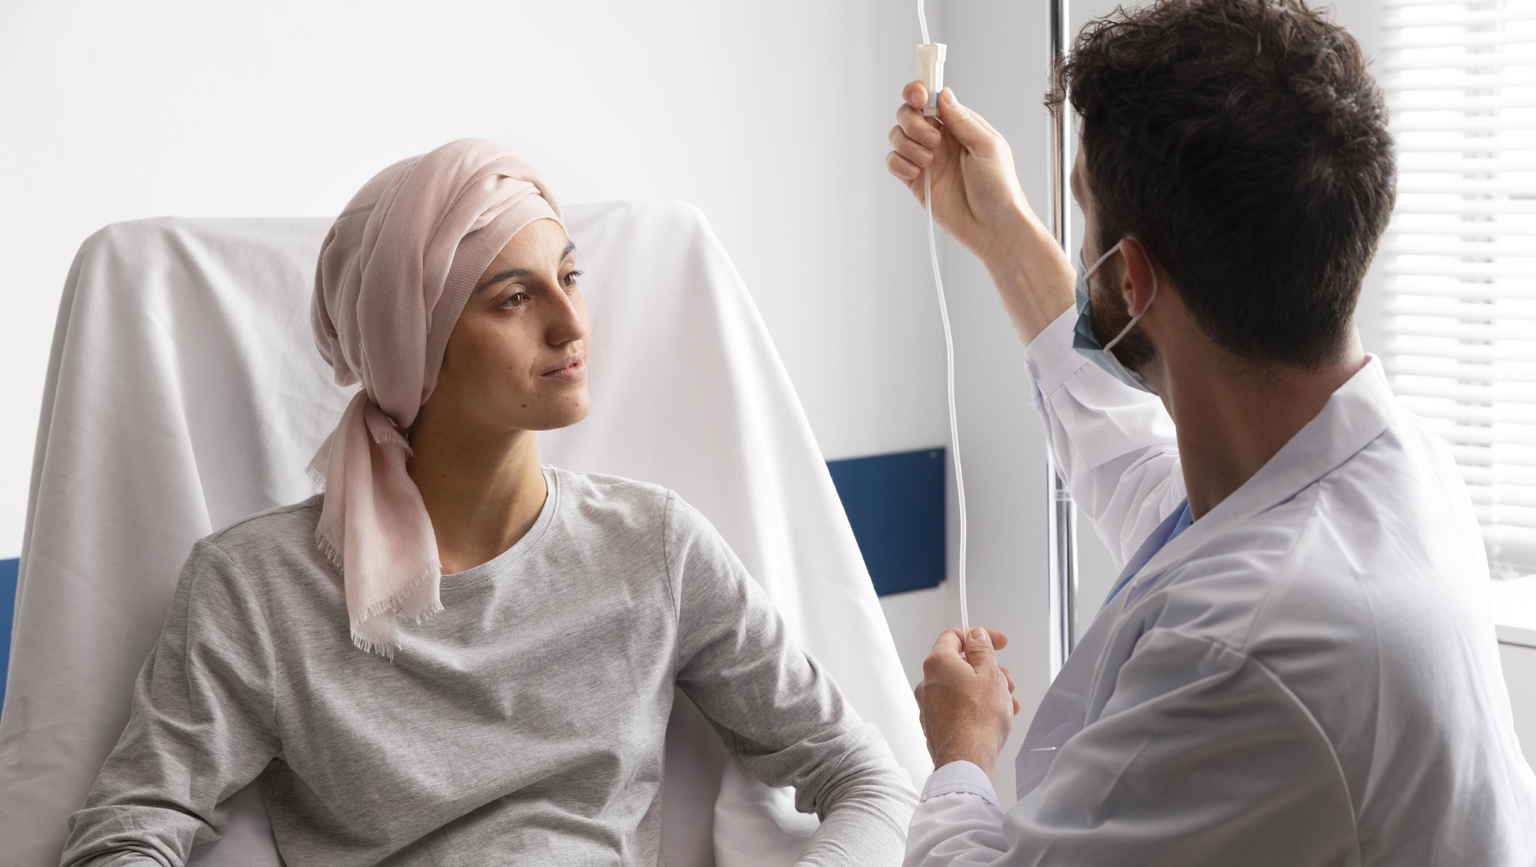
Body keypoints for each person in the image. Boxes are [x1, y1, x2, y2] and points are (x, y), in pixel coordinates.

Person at [59, 139, 917, 866]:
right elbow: (128, 831)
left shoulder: (654, 545)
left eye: (570, 276)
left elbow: (865, 776)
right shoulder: (255, 587)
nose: (570, 322)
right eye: (514, 297)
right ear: (412, 347)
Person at [885, 0, 1536, 864]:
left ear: (1131, 275)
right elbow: (1151, 478)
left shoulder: (1244, 648)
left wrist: (961, 753)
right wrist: (1003, 229)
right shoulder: (1391, 466)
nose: (1084, 258)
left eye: (1086, 221)